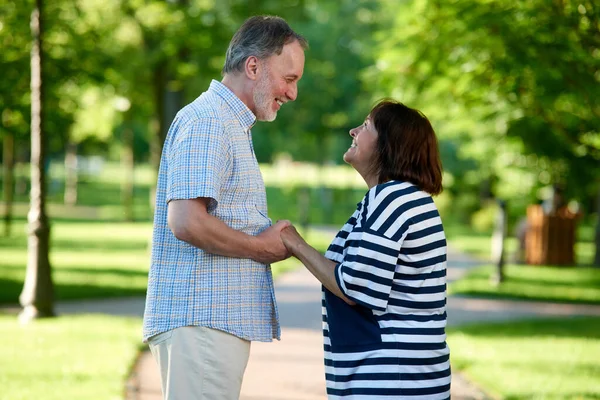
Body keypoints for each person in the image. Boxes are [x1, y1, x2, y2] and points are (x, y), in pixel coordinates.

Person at [142, 15, 308, 400]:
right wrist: (260, 247)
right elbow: (186, 221)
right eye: (290, 78)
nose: (292, 93)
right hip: (201, 325)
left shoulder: (228, 123)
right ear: (254, 66)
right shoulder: (208, 122)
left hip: (210, 327)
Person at [280, 100, 451, 399]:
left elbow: (354, 288)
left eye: (367, 125)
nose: (353, 131)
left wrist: (293, 242)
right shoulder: (401, 199)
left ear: (389, 145)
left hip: (392, 381)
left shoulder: (391, 198)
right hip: (403, 378)